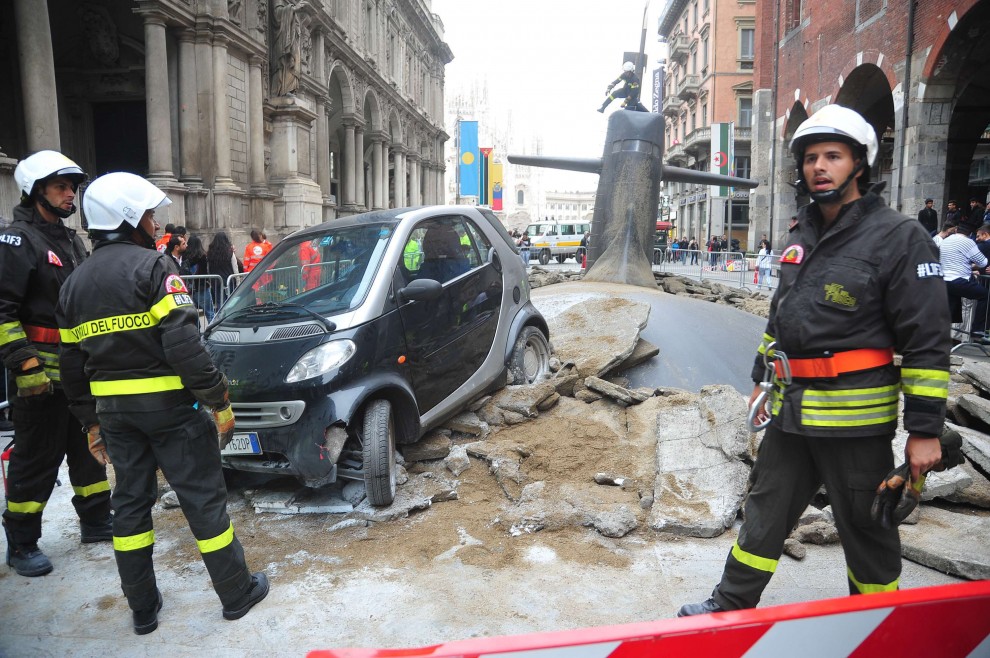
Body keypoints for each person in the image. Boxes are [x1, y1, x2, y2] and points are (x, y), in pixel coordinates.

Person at [677, 105, 949, 617]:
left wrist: (924, 430)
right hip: (792, 413)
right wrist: (762, 378)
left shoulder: (899, 237)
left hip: (854, 422)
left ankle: (875, 627)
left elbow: (927, 340)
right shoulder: (801, 233)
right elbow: (783, 319)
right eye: (810, 158)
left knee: (867, 528)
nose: (819, 166)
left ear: (860, 165)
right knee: (763, 514)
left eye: (833, 156)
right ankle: (729, 609)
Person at [56, 172, 269, 634]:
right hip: (172, 410)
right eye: (150, 215)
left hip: (114, 417)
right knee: (203, 500)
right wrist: (218, 400)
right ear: (130, 218)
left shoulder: (73, 284)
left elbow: (71, 367)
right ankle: (236, 593)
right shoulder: (154, 269)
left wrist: (91, 424)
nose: (156, 223)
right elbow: (185, 348)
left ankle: (143, 609)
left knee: (130, 506)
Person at [0, 150, 112, 577]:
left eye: (73, 188)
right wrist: (25, 366)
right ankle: (22, 542)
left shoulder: (70, 240)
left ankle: (96, 521)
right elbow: (2, 312)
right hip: (40, 379)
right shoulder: (16, 241)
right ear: (36, 191)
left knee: (89, 450)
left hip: (79, 373)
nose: (71, 195)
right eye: (62, 187)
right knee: (36, 458)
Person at [939, 222, 989, 340]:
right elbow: (983, 262)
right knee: (985, 295)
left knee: (953, 305)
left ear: (956, 230)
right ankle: (977, 329)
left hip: (943, 279)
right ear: (969, 233)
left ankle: (946, 337)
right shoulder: (968, 242)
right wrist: (971, 265)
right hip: (958, 279)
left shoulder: (945, 240)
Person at [182, 234, 215, 322]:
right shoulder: (202, 256)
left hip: (189, 289)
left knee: (193, 314)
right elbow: (205, 271)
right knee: (210, 312)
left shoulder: (185, 256)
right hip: (202, 286)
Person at [207, 231, 239, 306]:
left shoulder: (210, 253)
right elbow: (235, 268)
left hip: (216, 281)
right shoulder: (230, 252)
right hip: (229, 280)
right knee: (230, 303)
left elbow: (208, 268)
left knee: (220, 303)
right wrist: (238, 282)